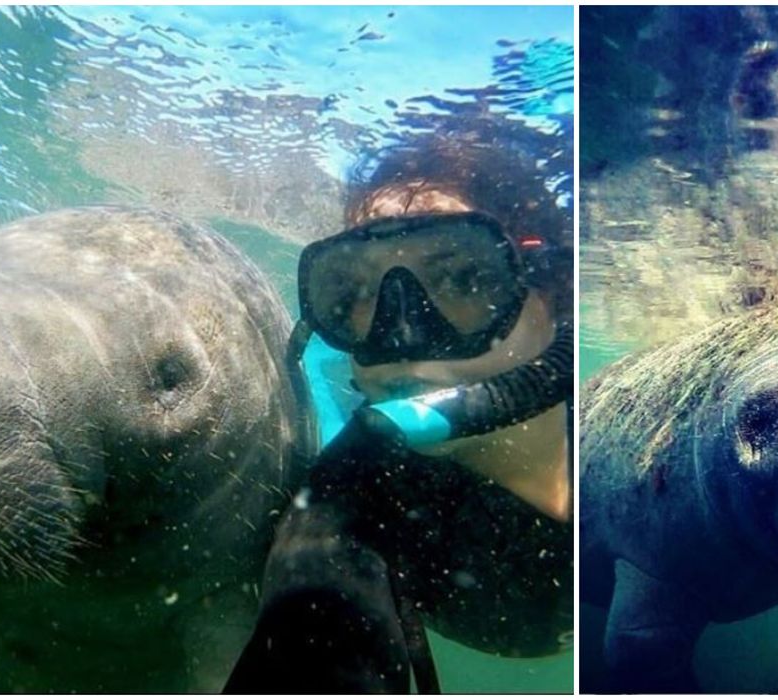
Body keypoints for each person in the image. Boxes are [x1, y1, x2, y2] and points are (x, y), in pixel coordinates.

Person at [224, 135, 574, 693]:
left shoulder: (625, 437)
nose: (401, 333)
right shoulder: (351, 498)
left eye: (462, 277)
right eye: (356, 291)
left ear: (555, 291)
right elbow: (313, 616)